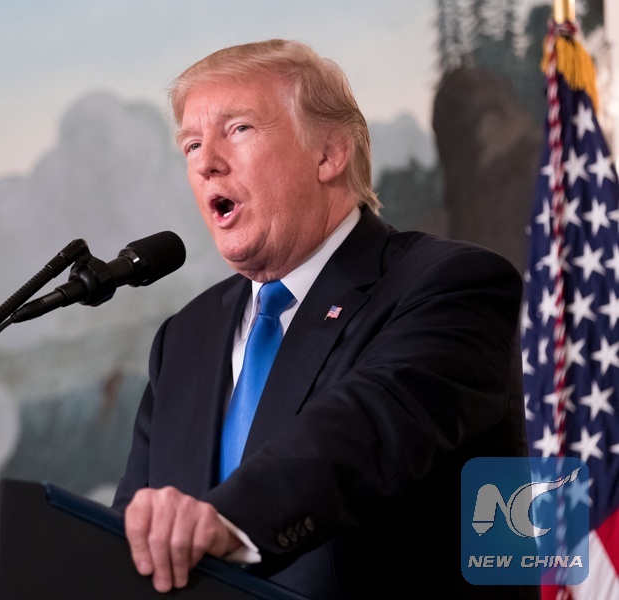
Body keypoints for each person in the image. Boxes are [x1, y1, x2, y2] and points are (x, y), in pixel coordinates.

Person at [112, 39, 534, 599]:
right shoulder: (184, 339)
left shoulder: (452, 284)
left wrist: (227, 522)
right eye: (191, 144)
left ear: (329, 153)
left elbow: (367, 427)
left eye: (238, 129)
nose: (206, 161)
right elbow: (127, 538)